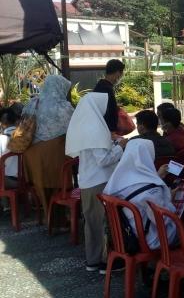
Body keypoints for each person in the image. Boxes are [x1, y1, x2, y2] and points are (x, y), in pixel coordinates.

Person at [103, 139, 184, 249]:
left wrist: (157, 177)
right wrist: (168, 198)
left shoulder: (118, 182)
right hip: (152, 238)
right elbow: (164, 220)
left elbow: (139, 190)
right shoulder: (151, 189)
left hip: (127, 235)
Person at [66, 93, 126, 273]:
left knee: (91, 222)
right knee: (103, 222)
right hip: (99, 181)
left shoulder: (83, 126)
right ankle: (105, 262)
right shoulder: (96, 128)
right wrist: (120, 147)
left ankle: (92, 260)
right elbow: (103, 160)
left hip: (86, 180)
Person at [22, 75, 74, 222]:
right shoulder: (64, 107)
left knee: (41, 185)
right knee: (58, 185)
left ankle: (46, 215)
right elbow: (73, 128)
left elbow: (24, 123)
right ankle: (59, 221)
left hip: (31, 154)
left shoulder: (33, 103)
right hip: (54, 153)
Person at [93, 59, 124, 133]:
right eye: (121, 73)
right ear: (117, 73)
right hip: (106, 130)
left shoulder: (101, 85)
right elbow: (109, 112)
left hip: (100, 128)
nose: (121, 76)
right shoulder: (106, 88)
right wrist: (112, 131)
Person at [0, 108, 19, 214]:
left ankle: (6, 205)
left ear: (3, 123)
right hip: (27, 180)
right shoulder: (25, 138)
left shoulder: (1, 139)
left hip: (10, 181)